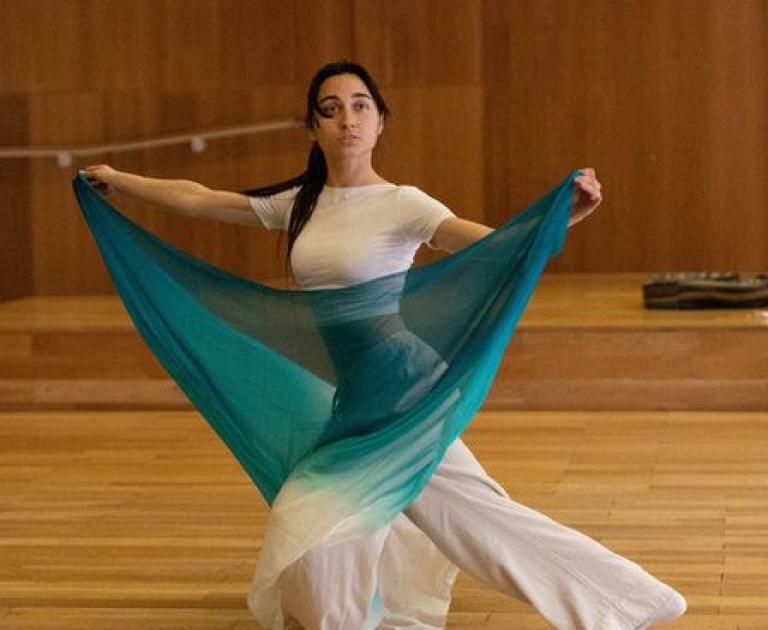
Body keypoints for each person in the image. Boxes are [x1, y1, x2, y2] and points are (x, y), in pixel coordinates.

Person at [82, 60, 685, 630]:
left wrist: (563, 219)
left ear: (379, 122)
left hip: (405, 385)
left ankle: (628, 602)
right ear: (314, 127)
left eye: (360, 106)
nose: (347, 119)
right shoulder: (301, 205)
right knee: (446, 517)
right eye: (331, 108)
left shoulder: (403, 203)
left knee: (468, 519)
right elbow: (201, 198)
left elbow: (488, 246)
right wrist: (119, 181)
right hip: (358, 396)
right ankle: (625, 601)